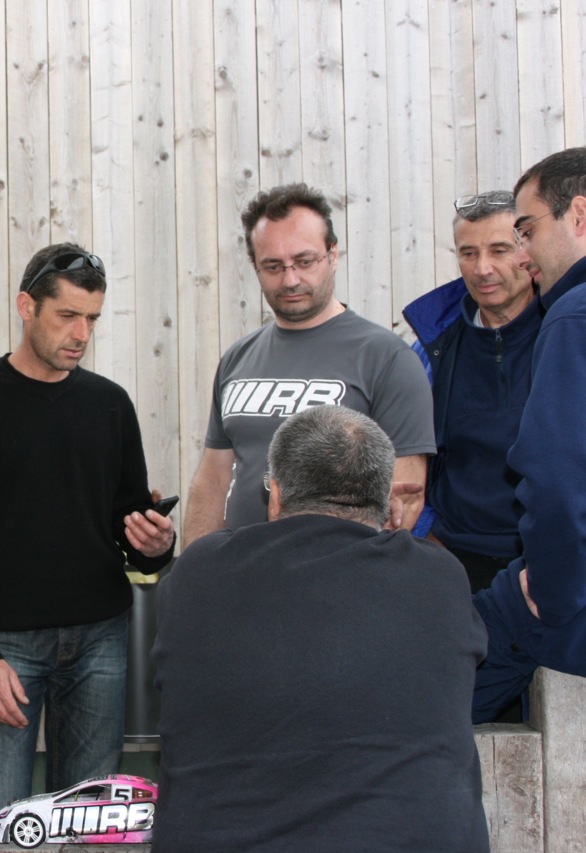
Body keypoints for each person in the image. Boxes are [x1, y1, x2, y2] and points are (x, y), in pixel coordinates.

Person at [151, 405, 488, 852]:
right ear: (386, 503)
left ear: (275, 496)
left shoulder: (198, 573)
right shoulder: (439, 577)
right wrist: (393, 529)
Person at [0, 243, 176, 811]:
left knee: (87, 819)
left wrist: (158, 546)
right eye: (68, 315)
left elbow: (131, 532)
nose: (82, 334)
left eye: (93, 319)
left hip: (100, 639)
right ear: (26, 307)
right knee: (1, 820)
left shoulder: (110, 405)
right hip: (3, 645)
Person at [184, 183, 436, 544]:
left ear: (332, 254)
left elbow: (404, 499)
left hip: (337, 573)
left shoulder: (387, 359)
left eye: (304, 261)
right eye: (273, 266)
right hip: (241, 570)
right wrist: (198, 566)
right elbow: (213, 480)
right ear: (255, 266)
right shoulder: (237, 359)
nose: (290, 279)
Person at [472, 147, 586, 722]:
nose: (522, 255)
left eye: (527, 230)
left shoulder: (573, 315)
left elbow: (556, 479)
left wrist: (550, 595)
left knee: (408, 699)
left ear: (579, 216)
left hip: (564, 608)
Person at [402, 191, 542, 593]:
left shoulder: (566, 333)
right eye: (468, 253)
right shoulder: (431, 349)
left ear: (527, 250)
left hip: (545, 561)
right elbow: (409, 458)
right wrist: (424, 540)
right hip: (451, 560)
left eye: (499, 250)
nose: (482, 269)